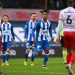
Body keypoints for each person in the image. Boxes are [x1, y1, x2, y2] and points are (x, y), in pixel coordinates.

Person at [56, 0, 75, 75]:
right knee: (74, 51)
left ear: (67, 3)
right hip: (73, 32)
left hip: (65, 33)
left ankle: (68, 69)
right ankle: (70, 64)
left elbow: (59, 25)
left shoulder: (62, 11)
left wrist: (57, 36)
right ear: (73, 3)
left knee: (68, 51)